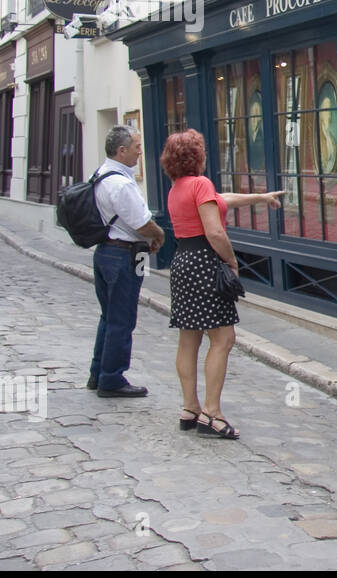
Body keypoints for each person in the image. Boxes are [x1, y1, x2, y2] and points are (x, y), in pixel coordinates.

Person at [161, 128, 282, 439]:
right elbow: (215, 232)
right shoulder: (201, 184)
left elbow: (220, 200)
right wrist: (231, 261)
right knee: (223, 339)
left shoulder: (177, 188)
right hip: (205, 262)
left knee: (189, 339)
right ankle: (213, 414)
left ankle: (190, 408)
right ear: (197, 155)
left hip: (183, 262)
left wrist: (259, 196)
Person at [90, 126, 166, 397]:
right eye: (136, 146)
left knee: (108, 316)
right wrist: (159, 235)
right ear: (121, 150)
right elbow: (141, 223)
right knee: (122, 318)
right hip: (124, 254)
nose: (139, 151)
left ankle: (98, 373)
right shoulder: (120, 183)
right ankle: (111, 379)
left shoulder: (101, 174)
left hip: (106, 252)